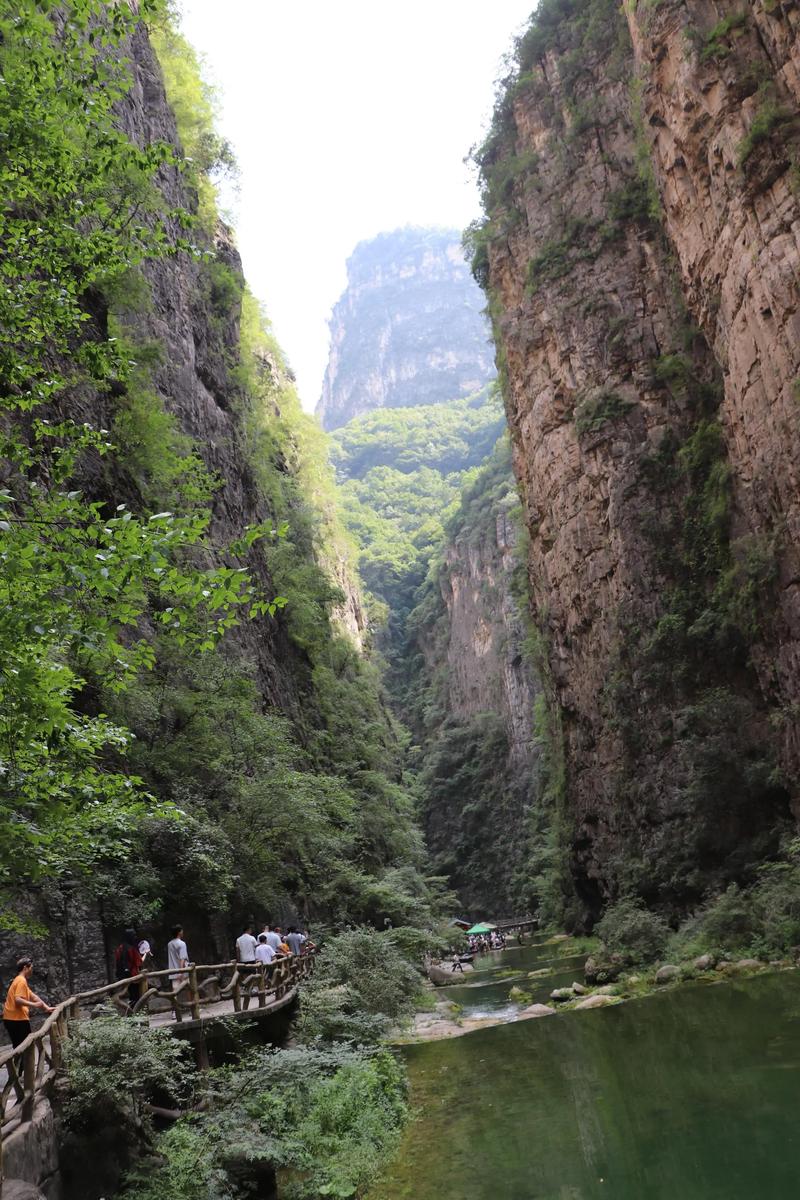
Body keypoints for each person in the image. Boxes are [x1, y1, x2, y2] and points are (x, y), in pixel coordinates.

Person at [3, 957, 53, 1050]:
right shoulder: (21, 981)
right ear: (25, 968)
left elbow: (33, 996)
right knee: (24, 1048)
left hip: (12, 1018)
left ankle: (21, 1064)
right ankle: (23, 1065)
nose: (32, 970)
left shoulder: (19, 980)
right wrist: (35, 1005)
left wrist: (46, 1008)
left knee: (21, 1047)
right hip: (16, 1019)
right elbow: (18, 1000)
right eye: (31, 968)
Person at [114, 928, 143, 1006]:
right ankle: (135, 1012)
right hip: (133, 976)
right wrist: (145, 954)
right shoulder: (131, 948)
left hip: (123, 976)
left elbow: (117, 961)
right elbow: (139, 962)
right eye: (134, 935)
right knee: (136, 996)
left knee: (131, 994)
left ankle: (132, 1011)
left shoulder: (120, 948)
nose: (135, 937)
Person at [167, 924, 189, 992]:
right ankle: (192, 1002)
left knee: (175, 991)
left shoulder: (169, 944)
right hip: (183, 971)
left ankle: (175, 1003)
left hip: (173, 971)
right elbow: (182, 959)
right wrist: (181, 972)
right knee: (189, 988)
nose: (183, 932)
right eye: (182, 930)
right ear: (179, 932)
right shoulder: (182, 944)